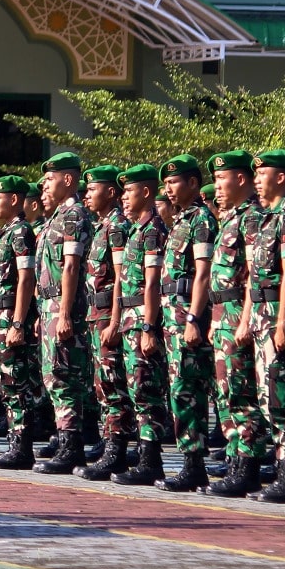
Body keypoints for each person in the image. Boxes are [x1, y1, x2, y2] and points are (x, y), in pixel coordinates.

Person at [237, 149, 285, 504]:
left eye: (262, 174)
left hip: (280, 320)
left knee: (283, 399)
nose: (255, 181)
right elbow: (254, 278)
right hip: (263, 317)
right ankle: (284, 471)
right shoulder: (269, 218)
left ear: (280, 177)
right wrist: (250, 318)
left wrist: (282, 323)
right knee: (269, 398)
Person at [204, 150, 270, 498]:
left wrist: (245, 320)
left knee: (242, 393)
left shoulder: (252, 219)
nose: (216, 187)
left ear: (240, 179)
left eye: (221, 179)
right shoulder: (230, 218)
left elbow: (253, 278)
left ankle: (248, 466)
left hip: (239, 317)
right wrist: (216, 320)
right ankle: (234, 461)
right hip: (223, 315)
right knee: (227, 391)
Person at [155, 154, 218, 492]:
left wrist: (193, 318)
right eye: (166, 184)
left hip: (187, 316)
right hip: (172, 316)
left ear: (193, 183)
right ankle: (190, 462)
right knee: (179, 390)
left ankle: (194, 464)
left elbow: (203, 273)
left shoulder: (201, 220)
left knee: (188, 390)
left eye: (174, 182)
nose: (169, 189)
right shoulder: (181, 221)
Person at [32, 152, 94, 475]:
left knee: (64, 375)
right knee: (52, 375)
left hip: (62, 305)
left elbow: (71, 267)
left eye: (50, 178)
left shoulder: (73, 216)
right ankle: (65, 439)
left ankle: (71, 447)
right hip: (49, 305)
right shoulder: (56, 217)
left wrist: (66, 314)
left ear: (68, 180)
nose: (45, 183)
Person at [111, 164, 170, 486]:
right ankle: (144, 456)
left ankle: (151, 460)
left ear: (145, 193)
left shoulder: (152, 230)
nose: (123, 197)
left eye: (129, 191)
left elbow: (152, 283)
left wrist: (148, 327)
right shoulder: (137, 229)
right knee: (136, 389)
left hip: (142, 322)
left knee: (147, 390)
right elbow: (124, 280)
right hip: (130, 320)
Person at [76, 165, 134, 481]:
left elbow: (122, 279)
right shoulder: (102, 227)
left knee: (113, 385)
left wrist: (114, 322)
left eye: (93, 188)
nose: (87, 194)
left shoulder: (116, 228)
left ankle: (117, 450)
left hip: (109, 319)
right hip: (95, 317)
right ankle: (109, 443)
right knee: (103, 385)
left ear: (110, 192)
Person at [0, 174, 41, 470]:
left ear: (15, 200)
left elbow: (26, 278)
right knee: (5, 383)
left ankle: (21, 447)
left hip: (10, 318)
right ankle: (14, 443)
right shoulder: (6, 233)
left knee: (15, 382)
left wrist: (18, 322)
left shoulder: (21, 233)